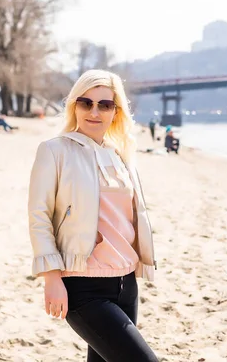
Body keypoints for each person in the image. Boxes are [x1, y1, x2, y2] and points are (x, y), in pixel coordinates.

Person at [27, 69, 159, 362]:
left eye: (105, 104)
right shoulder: (54, 151)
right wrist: (51, 277)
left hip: (126, 283)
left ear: (116, 111)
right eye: (86, 102)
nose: (95, 111)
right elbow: (39, 216)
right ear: (74, 105)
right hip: (83, 285)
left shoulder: (121, 154)